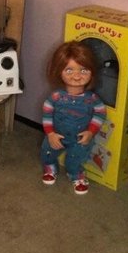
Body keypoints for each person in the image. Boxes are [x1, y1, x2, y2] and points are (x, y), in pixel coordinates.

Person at [40, 41, 106, 195]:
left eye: (83, 70)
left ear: (92, 72)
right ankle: (50, 167)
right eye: (69, 70)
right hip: (57, 134)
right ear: (59, 72)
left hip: (80, 138)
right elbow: (47, 114)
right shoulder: (55, 97)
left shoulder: (92, 99)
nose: (77, 76)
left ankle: (76, 174)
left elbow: (100, 113)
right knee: (47, 152)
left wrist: (91, 132)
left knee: (75, 158)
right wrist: (50, 133)